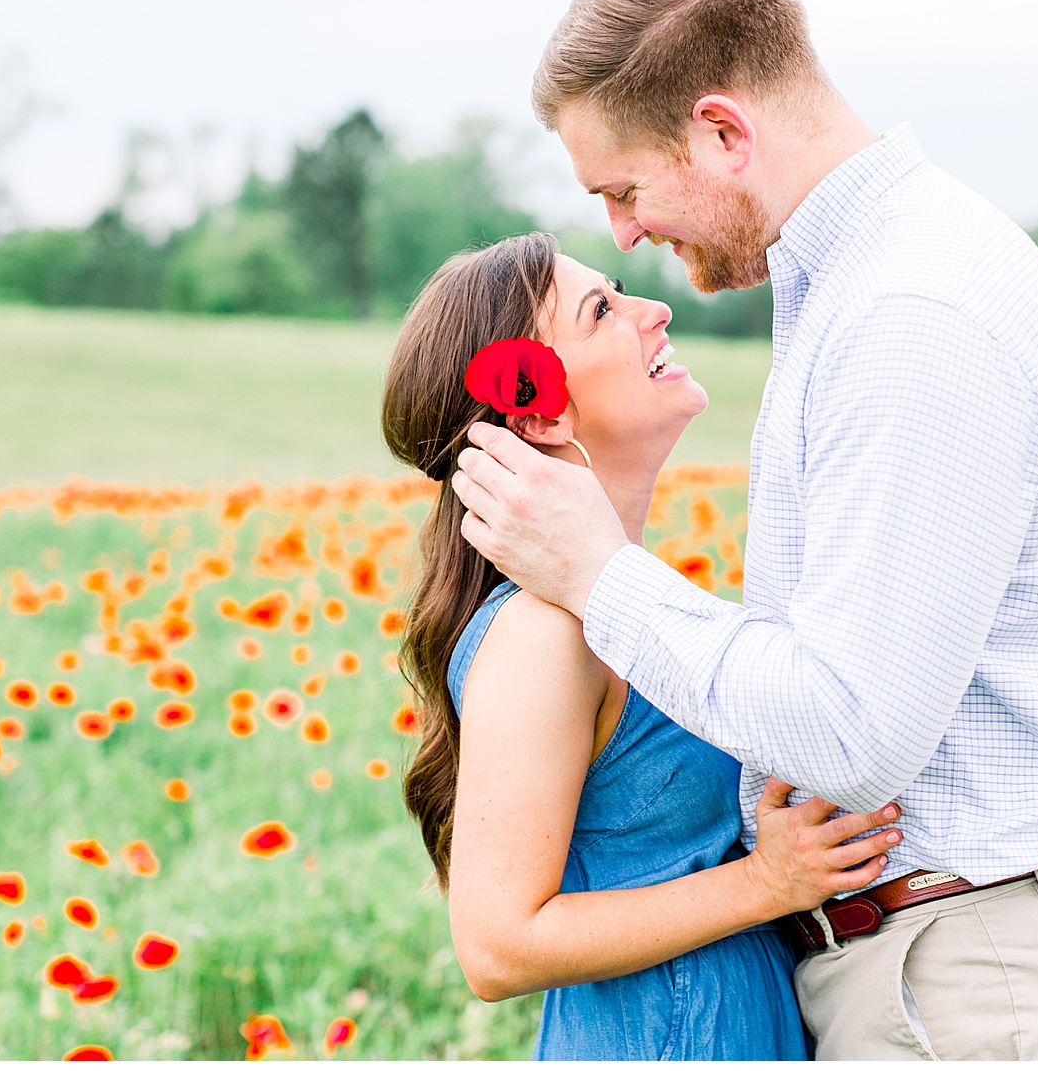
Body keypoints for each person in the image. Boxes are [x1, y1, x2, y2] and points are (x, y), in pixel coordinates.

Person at [451, 0, 1038, 1059]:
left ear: (722, 131)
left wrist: (600, 573)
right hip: (970, 959)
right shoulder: (865, 283)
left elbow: (854, 732)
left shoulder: (910, 312)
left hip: (993, 973)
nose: (623, 234)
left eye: (623, 189)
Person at [381, 232, 903, 1060]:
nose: (654, 311)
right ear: (539, 408)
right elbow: (497, 944)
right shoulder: (544, 634)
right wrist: (764, 883)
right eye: (604, 310)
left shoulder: (627, 604)